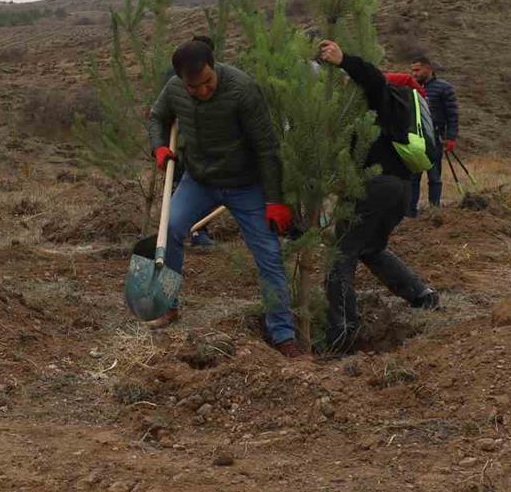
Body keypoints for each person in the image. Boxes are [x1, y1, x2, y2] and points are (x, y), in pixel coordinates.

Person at [144, 38, 303, 358]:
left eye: (208, 82)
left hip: (246, 185)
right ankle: (169, 305)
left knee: (268, 253)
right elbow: (157, 117)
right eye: (194, 87)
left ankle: (283, 333)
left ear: (214, 66)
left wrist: (274, 199)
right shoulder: (175, 88)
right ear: (182, 81)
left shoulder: (243, 89)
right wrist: (159, 145)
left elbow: (267, 147)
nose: (203, 91)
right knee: (172, 227)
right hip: (200, 180)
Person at [318, 40, 440, 353]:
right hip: (398, 189)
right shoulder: (376, 110)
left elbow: (371, 77)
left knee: (340, 255)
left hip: (377, 187)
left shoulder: (378, 99)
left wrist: (344, 59)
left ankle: (343, 330)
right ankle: (421, 295)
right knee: (370, 248)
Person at [164, 35, 215, 248]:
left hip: (203, 143)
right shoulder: (175, 75)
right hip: (182, 140)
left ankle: (197, 230)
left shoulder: (214, 76)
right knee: (180, 185)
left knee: (203, 186)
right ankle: (187, 231)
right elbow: (164, 104)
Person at [409, 54, 459, 215]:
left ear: (428, 69)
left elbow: (452, 115)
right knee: (413, 177)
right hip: (415, 139)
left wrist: (450, 138)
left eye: (417, 70)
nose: (414, 74)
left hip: (435, 140)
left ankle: (434, 210)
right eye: (412, 70)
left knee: (434, 177)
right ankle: (410, 211)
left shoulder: (444, 88)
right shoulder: (411, 87)